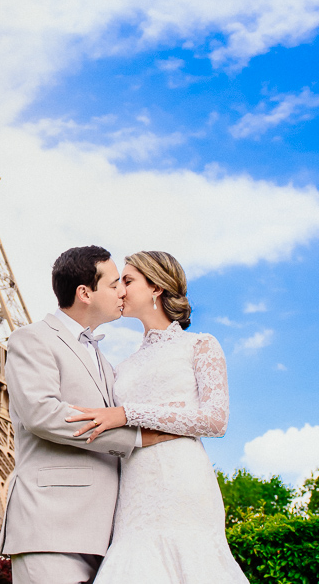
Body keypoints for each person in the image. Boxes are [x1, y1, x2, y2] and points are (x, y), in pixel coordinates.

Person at [0, 246, 178, 584]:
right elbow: (42, 413)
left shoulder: (103, 359)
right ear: (84, 293)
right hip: (51, 526)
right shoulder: (32, 339)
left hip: (109, 534)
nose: (122, 291)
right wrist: (135, 438)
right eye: (113, 284)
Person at [66, 249, 249, 582]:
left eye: (128, 280)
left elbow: (214, 420)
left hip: (183, 483)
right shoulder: (121, 367)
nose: (119, 289)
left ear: (157, 288)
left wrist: (127, 413)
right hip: (134, 493)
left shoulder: (199, 345)